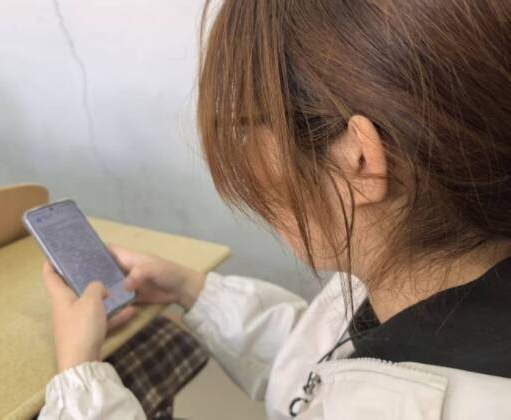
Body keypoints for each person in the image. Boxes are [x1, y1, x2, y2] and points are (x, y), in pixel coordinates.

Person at [38, 1, 511, 419]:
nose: (242, 152)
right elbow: (324, 374)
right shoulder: (417, 281)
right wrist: (191, 288)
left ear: (359, 158)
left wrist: (80, 381)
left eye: (249, 124)